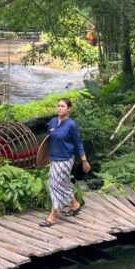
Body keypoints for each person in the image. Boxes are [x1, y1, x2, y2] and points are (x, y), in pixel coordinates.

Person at [40, 97, 90, 227]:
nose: (59, 108)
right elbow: (47, 141)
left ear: (69, 109)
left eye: (62, 106)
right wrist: (44, 158)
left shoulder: (71, 125)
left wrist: (84, 160)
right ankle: (75, 204)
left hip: (65, 159)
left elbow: (78, 143)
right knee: (63, 183)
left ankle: (52, 217)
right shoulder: (52, 122)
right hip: (53, 158)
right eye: (58, 106)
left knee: (54, 184)